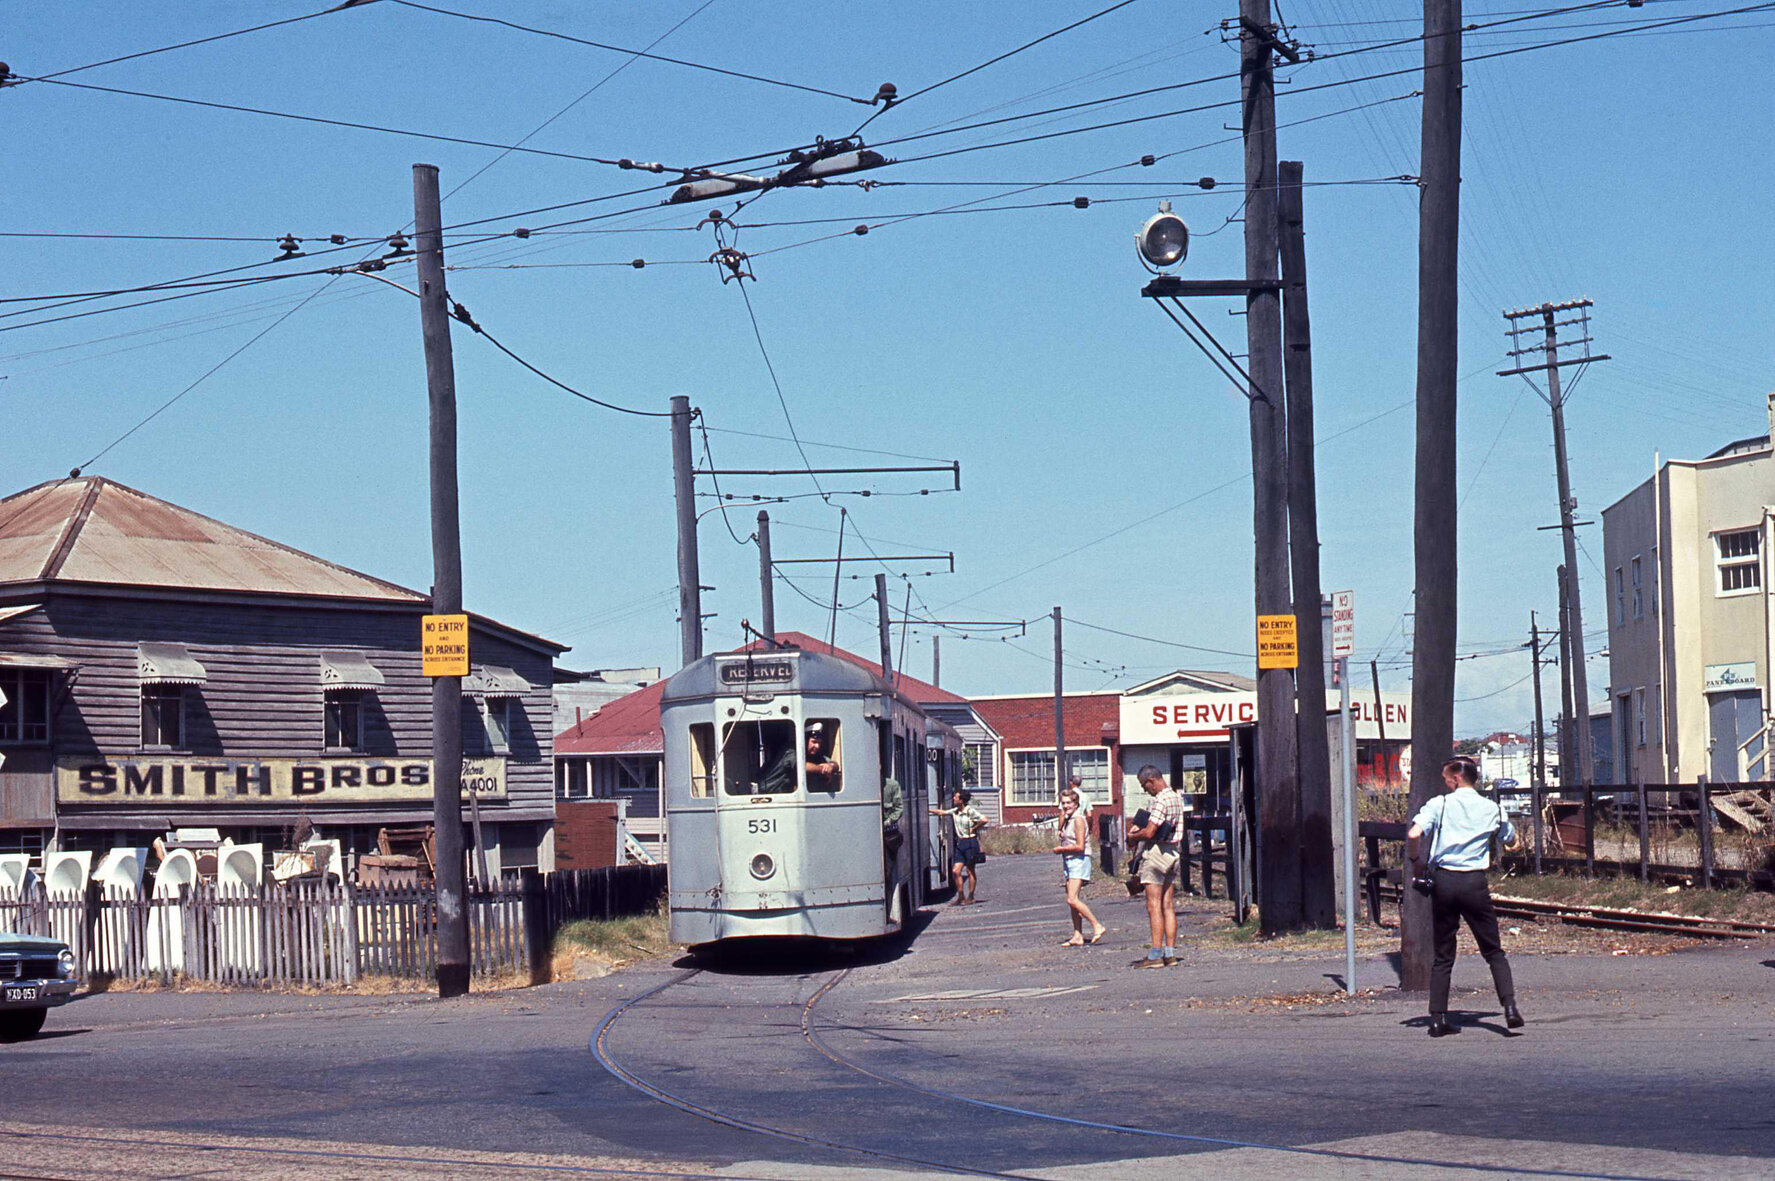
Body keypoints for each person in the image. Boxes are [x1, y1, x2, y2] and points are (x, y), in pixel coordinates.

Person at [1407, 756, 1524, 1037]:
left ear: (1456, 778)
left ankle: (1437, 1018)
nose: (1444, 782)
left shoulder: (1441, 804)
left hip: (1444, 882)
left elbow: (1414, 833)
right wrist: (1511, 842)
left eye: (1446, 777)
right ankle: (1509, 1008)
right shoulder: (1492, 808)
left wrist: (1416, 861)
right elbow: (1509, 838)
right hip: (1474, 882)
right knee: (1493, 950)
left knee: (1444, 954)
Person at [1126, 766, 1183, 968]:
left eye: (1144, 786)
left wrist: (1134, 835)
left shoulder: (1160, 799)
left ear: (1151, 780)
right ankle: (1170, 953)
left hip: (1158, 854)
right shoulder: (1176, 797)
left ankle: (1155, 954)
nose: (1145, 790)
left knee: (1153, 905)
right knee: (1167, 905)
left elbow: (1150, 833)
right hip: (1173, 853)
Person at [1054, 787, 1106, 947]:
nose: (1066, 806)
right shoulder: (1069, 819)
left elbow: (1080, 846)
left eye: (1069, 803)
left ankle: (1097, 926)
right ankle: (1077, 935)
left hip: (1078, 860)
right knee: (1071, 899)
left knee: (1072, 899)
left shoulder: (1078, 819)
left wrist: (1061, 849)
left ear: (1076, 804)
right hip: (1069, 860)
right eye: (1063, 803)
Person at [930, 788, 988, 904]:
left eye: (956, 797)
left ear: (961, 800)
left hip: (970, 842)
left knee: (970, 870)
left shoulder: (969, 811)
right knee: (956, 871)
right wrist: (928, 810)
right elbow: (943, 813)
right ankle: (961, 896)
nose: (953, 799)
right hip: (960, 842)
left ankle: (970, 897)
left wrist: (974, 828)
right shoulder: (955, 811)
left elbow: (984, 819)